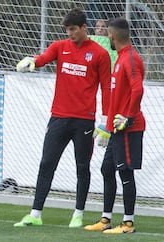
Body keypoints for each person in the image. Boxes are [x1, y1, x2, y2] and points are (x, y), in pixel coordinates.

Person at [14, 8, 111, 228]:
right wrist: (32, 62)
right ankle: (35, 214)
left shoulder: (99, 54)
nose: (70, 34)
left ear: (84, 28)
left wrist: (106, 120)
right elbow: (43, 59)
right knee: (47, 163)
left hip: (84, 121)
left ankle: (78, 214)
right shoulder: (60, 47)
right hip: (58, 117)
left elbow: (106, 88)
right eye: (67, 30)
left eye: (73, 30)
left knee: (82, 167)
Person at [84, 18, 145, 234]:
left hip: (129, 127)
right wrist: (107, 127)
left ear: (111, 35)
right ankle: (106, 219)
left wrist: (128, 117)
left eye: (106, 35)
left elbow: (138, 90)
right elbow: (119, 96)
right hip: (116, 128)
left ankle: (128, 223)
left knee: (125, 173)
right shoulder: (120, 58)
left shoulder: (130, 58)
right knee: (106, 169)